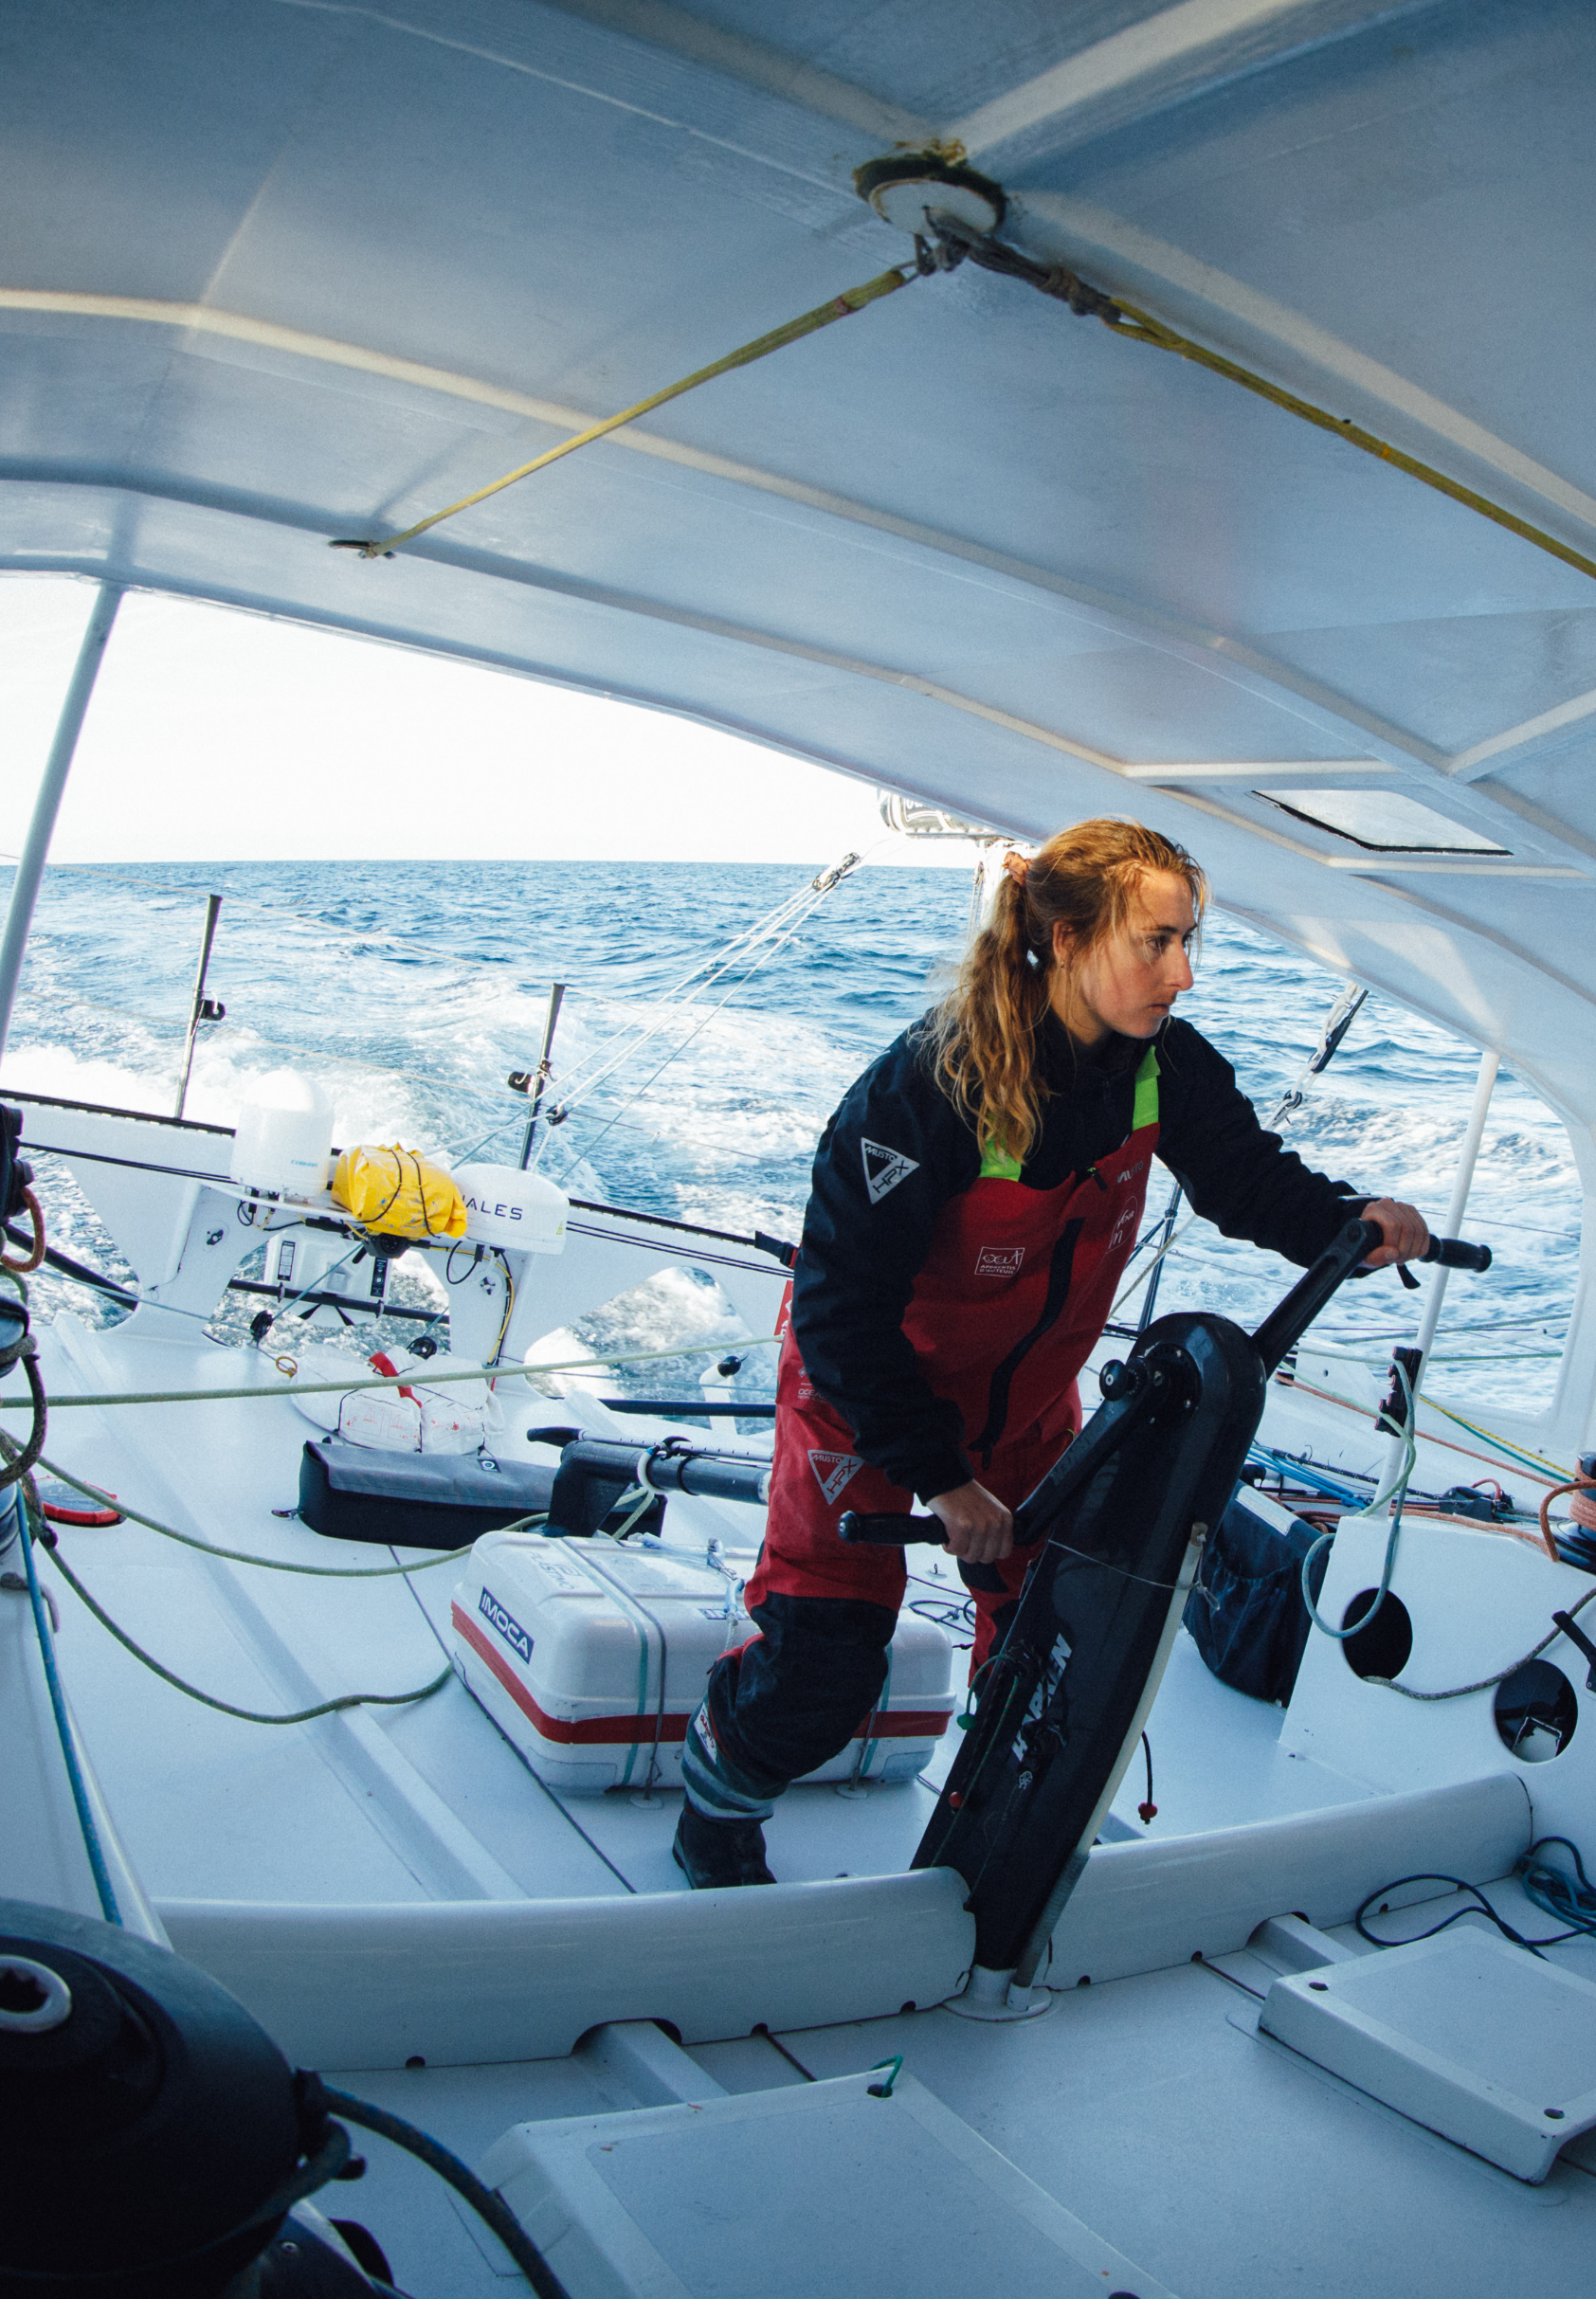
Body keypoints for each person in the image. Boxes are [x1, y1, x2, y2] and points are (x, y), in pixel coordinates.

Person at [673, 818, 1428, 1888]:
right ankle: (717, 1804)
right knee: (826, 1669)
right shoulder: (925, 1089)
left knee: (1050, 1651)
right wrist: (940, 1477)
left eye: (1188, 941)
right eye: (1156, 943)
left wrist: (1352, 1224)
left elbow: (1248, 1182)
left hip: (1029, 1414)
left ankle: (988, 1838)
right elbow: (839, 1310)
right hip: (869, 1410)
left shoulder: (1164, 1066)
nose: (1184, 974)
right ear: (1067, 939)